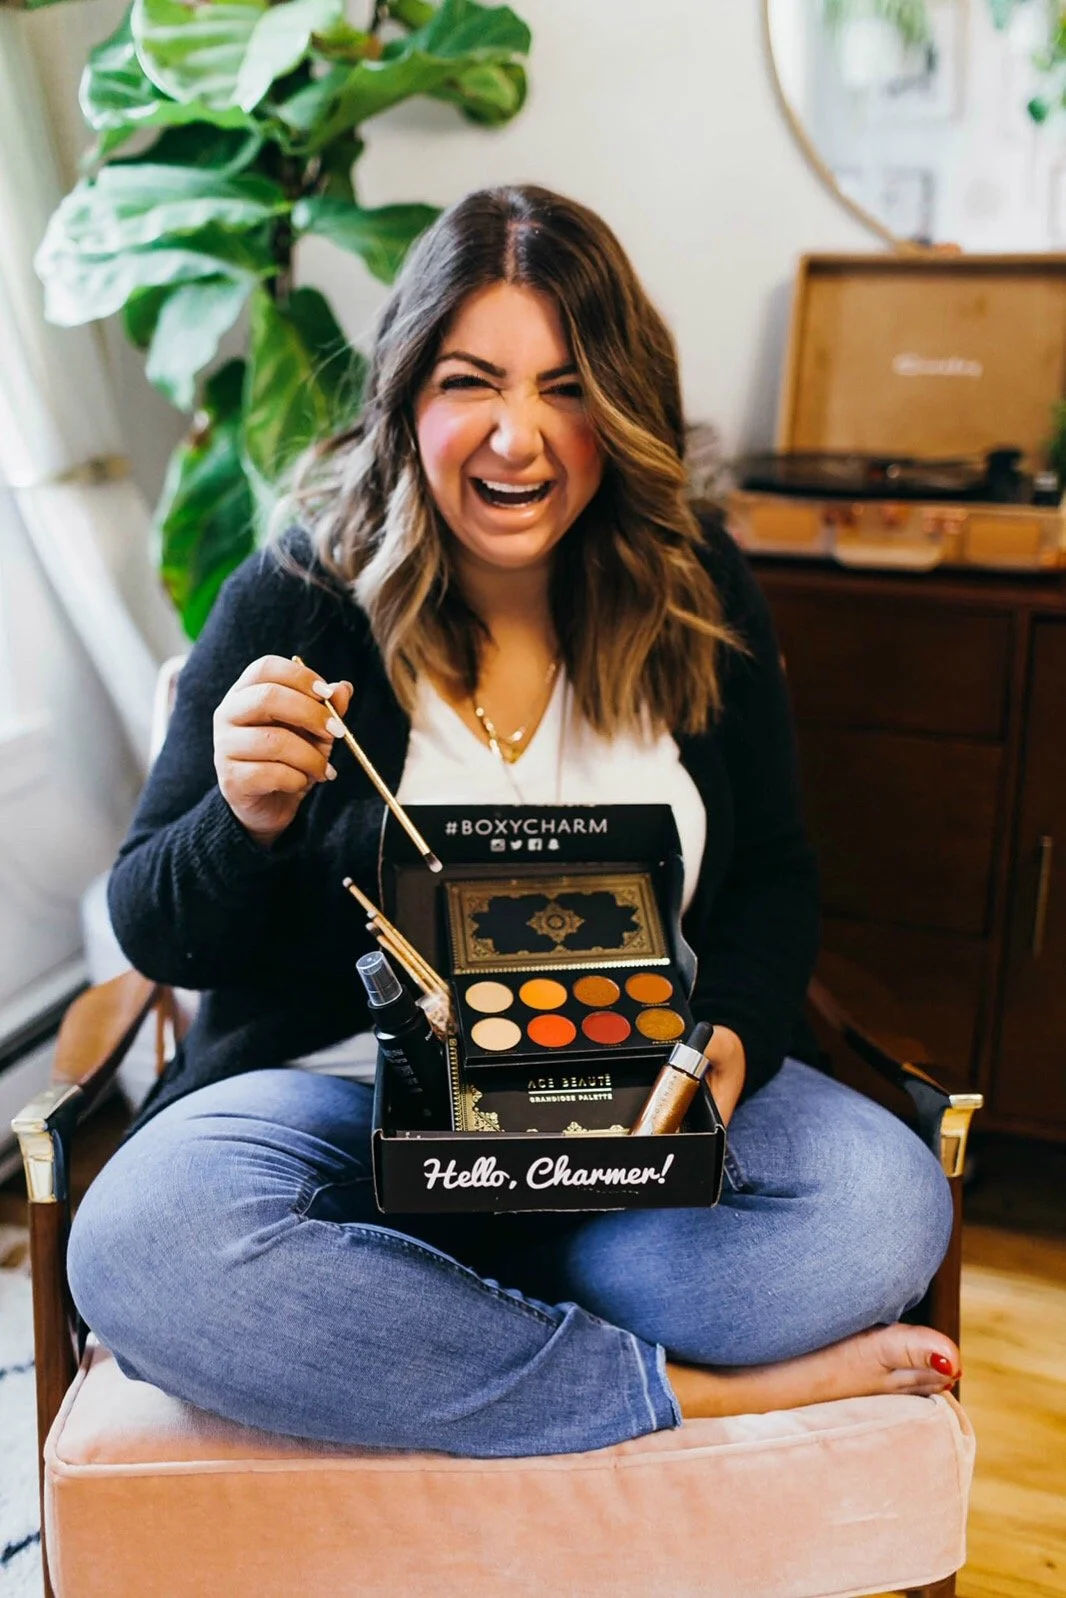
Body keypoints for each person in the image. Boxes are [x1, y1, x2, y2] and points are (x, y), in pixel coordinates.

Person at [66, 185, 958, 1459]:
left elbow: (771, 872)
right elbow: (155, 923)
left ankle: (430, 1323)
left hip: (626, 1118)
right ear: (405, 396)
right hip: (347, 1120)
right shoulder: (301, 592)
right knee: (141, 1242)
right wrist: (243, 814)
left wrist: (730, 1038)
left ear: (623, 406)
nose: (516, 437)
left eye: (567, 387)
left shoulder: (695, 585)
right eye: (469, 382)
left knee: (879, 1208)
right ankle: (676, 1388)